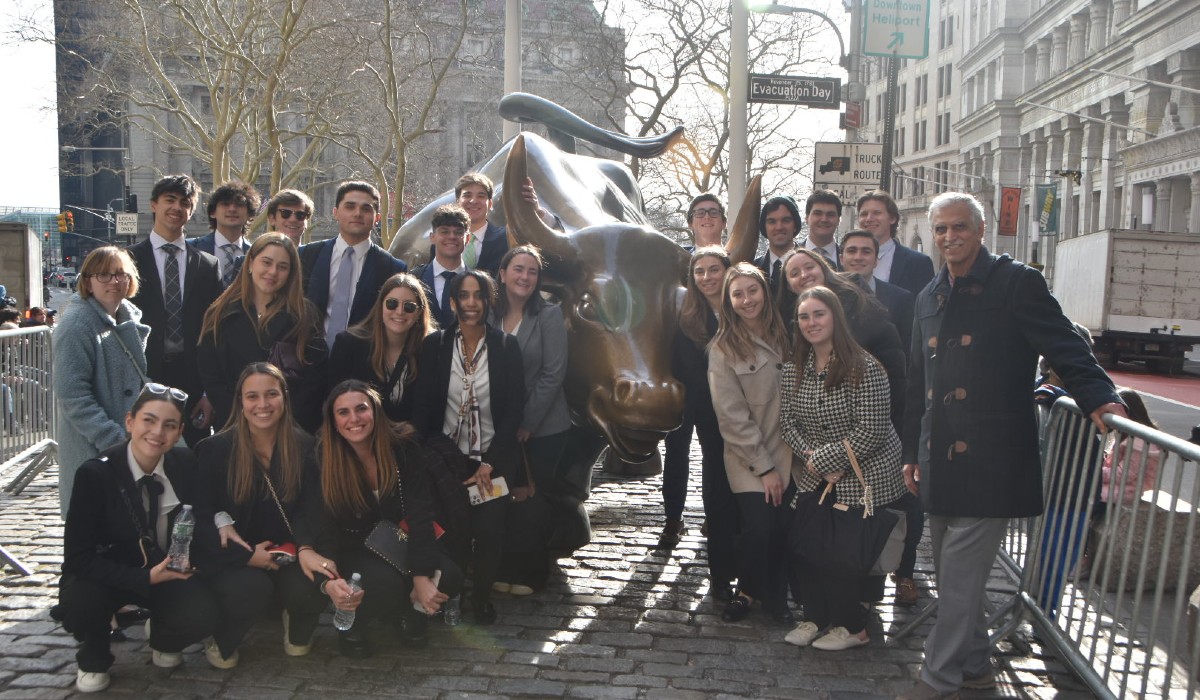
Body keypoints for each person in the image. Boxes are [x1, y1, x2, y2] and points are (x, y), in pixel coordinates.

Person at [897, 192, 1125, 700]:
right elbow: (919, 383)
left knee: (958, 577)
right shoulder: (928, 295)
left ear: (981, 231)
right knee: (958, 574)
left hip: (992, 459)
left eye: (958, 227)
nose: (949, 237)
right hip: (939, 459)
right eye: (940, 230)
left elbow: (1065, 345)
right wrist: (913, 451)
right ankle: (976, 662)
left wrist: (1101, 399)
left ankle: (936, 678)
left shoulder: (1017, 282)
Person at [58, 384, 225, 692]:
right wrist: (146, 578)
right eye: (148, 420)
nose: (157, 432)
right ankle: (94, 654)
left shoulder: (186, 464)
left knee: (204, 612)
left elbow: (202, 520)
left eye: (169, 425)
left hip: (168, 572)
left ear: (179, 433)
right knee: (81, 604)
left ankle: (163, 635)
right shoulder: (95, 475)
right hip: (108, 577)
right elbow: (78, 559)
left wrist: (195, 560)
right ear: (129, 422)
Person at [779, 286, 907, 650]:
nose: (811, 322)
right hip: (816, 476)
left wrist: (829, 461)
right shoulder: (793, 369)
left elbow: (872, 429)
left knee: (845, 556)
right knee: (810, 547)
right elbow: (787, 422)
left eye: (818, 314)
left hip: (863, 477)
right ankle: (815, 617)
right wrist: (815, 461)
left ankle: (853, 627)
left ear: (835, 316)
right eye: (804, 316)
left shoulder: (864, 367)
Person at [306, 380, 463, 658]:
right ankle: (354, 624)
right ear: (333, 421)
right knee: (383, 586)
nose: (354, 419)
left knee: (448, 576)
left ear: (376, 412)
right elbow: (323, 522)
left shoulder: (403, 446)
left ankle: (410, 613)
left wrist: (421, 574)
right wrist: (329, 577)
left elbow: (420, 510)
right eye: (343, 412)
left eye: (361, 409)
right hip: (355, 545)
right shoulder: (322, 456)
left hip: (400, 538)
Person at [195, 363, 330, 658]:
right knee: (252, 588)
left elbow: (312, 509)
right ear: (241, 403)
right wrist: (245, 554)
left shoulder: (308, 448)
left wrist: (306, 548)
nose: (263, 405)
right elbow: (202, 515)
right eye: (252, 396)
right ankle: (224, 636)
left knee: (319, 576)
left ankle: (297, 620)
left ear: (284, 397)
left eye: (271, 394)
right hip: (238, 557)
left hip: (290, 552)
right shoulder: (215, 450)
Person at [414, 270, 524, 625]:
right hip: (448, 460)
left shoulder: (507, 347)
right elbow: (426, 406)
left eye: (479, 295)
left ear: (489, 300)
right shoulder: (436, 346)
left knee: (491, 531)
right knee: (455, 531)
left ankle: (481, 598)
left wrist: (490, 464)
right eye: (464, 295)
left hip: (492, 460)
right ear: (453, 301)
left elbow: (513, 412)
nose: (472, 303)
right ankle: (453, 595)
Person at [707, 263, 797, 624]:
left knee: (784, 529)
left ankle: (776, 596)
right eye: (738, 294)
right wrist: (765, 468)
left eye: (753, 291)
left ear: (765, 291)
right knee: (759, 528)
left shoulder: (789, 334)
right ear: (728, 302)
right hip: (750, 457)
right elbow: (731, 417)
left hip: (795, 453)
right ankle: (746, 590)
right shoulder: (722, 349)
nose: (747, 300)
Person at [488, 246, 570, 594]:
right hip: (496, 427)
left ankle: (531, 571)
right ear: (503, 273)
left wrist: (526, 423)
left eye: (532, 272)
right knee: (499, 495)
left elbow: (554, 373)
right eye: (518, 269)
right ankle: (500, 566)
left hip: (544, 427)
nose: (525, 277)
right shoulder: (487, 314)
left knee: (534, 500)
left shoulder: (549, 315)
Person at [661, 246, 739, 599]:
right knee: (690, 466)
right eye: (700, 271)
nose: (707, 277)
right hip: (695, 402)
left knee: (723, 480)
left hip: (736, 409)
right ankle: (674, 522)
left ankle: (728, 561)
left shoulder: (742, 307)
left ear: (727, 271)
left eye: (714, 270)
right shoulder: (685, 313)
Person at [127, 174, 223, 448]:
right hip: (144, 374)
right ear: (154, 204)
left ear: (191, 211)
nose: (177, 208)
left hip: (192, 379)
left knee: (192, 459)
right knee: (145, 452)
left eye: (185, 203)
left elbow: (214, 328)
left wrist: (209, 391)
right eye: (170, 200)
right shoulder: (129, 260)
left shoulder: (207, 265)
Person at [53, 246, 150, 518]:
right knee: (96, 530)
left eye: (120, 274)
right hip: (95, 446)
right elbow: (73, 397)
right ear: (88, 281)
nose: (114, 281)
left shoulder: (127, 315)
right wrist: (115, 440)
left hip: (127, 442)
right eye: (104, 275)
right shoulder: (76, 325)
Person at [198, 233, 327, 433]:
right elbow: (211, 375)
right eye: (266, 262)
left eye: (282, 267)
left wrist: (278, 419)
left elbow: (314, 379)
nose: (273, 272)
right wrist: (244, 416)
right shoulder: (220, 313)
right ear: (250, 263)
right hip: (234, 428)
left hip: (289, 429)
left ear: (291, 273)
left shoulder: (305, 316)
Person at [298, 180, 407, 348]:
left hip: (363, 363)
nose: (357, 213)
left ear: (377, 217)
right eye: (350, 207)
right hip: (308, 360)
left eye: (366, 209)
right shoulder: (307, 255)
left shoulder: (392, 268)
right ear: (336, 212)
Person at [329, 273, 434, 423]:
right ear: (380, 306)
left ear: (419, 313)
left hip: (411, 439)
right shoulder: (349, 344)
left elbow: (428, 406)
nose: (399, 311)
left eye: (409, 307)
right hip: (358, 435)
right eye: (392, 303)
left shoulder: (430, 348)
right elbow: (335, 399)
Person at [454, 172, 558, 277]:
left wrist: (537, 211)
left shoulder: (509, 236)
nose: (473, 201)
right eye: (467, 195)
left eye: (481, 196)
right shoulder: (443, 240)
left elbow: (554, 234)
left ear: (490, 204)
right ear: (458, 202)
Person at [840, 228, 915, 355]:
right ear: (841, 259)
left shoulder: (901, 299)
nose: (858, 257)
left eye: (866, 252)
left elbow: (907, 351)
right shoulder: (826, 296)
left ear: (876, 261)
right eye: (852, 251)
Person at [855, 190, 934, 298]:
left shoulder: (918, 263)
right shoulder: (846, 260)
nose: (869, 219)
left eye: (877, 213)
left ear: (892, 218)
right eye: (864, 214)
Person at [188, 180, 259, 288]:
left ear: (249, 214)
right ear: (212, 212)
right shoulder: (191, 248)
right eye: (225, 204)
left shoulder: (257, 254)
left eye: (239, 204)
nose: (232, 209)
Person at [412, 204, 470, 328]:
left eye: (458, 232)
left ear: (468, 238)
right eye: (444, 231)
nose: (452, 236)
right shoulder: (415, 279)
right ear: (432, 237)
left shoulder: (478, 283)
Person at [753, 195, 802, 309]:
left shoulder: (811, 267)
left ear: (795, 225)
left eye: (786, 220)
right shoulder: (753, 268)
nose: (779, 227)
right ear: (764, 227)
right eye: (772, 221)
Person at [800, 189, 844, 269]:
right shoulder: (790, 257)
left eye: (830, 215)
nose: (824, 219)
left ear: (838, 220)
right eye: (818, 213)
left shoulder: (847, 258)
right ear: (806, 218)